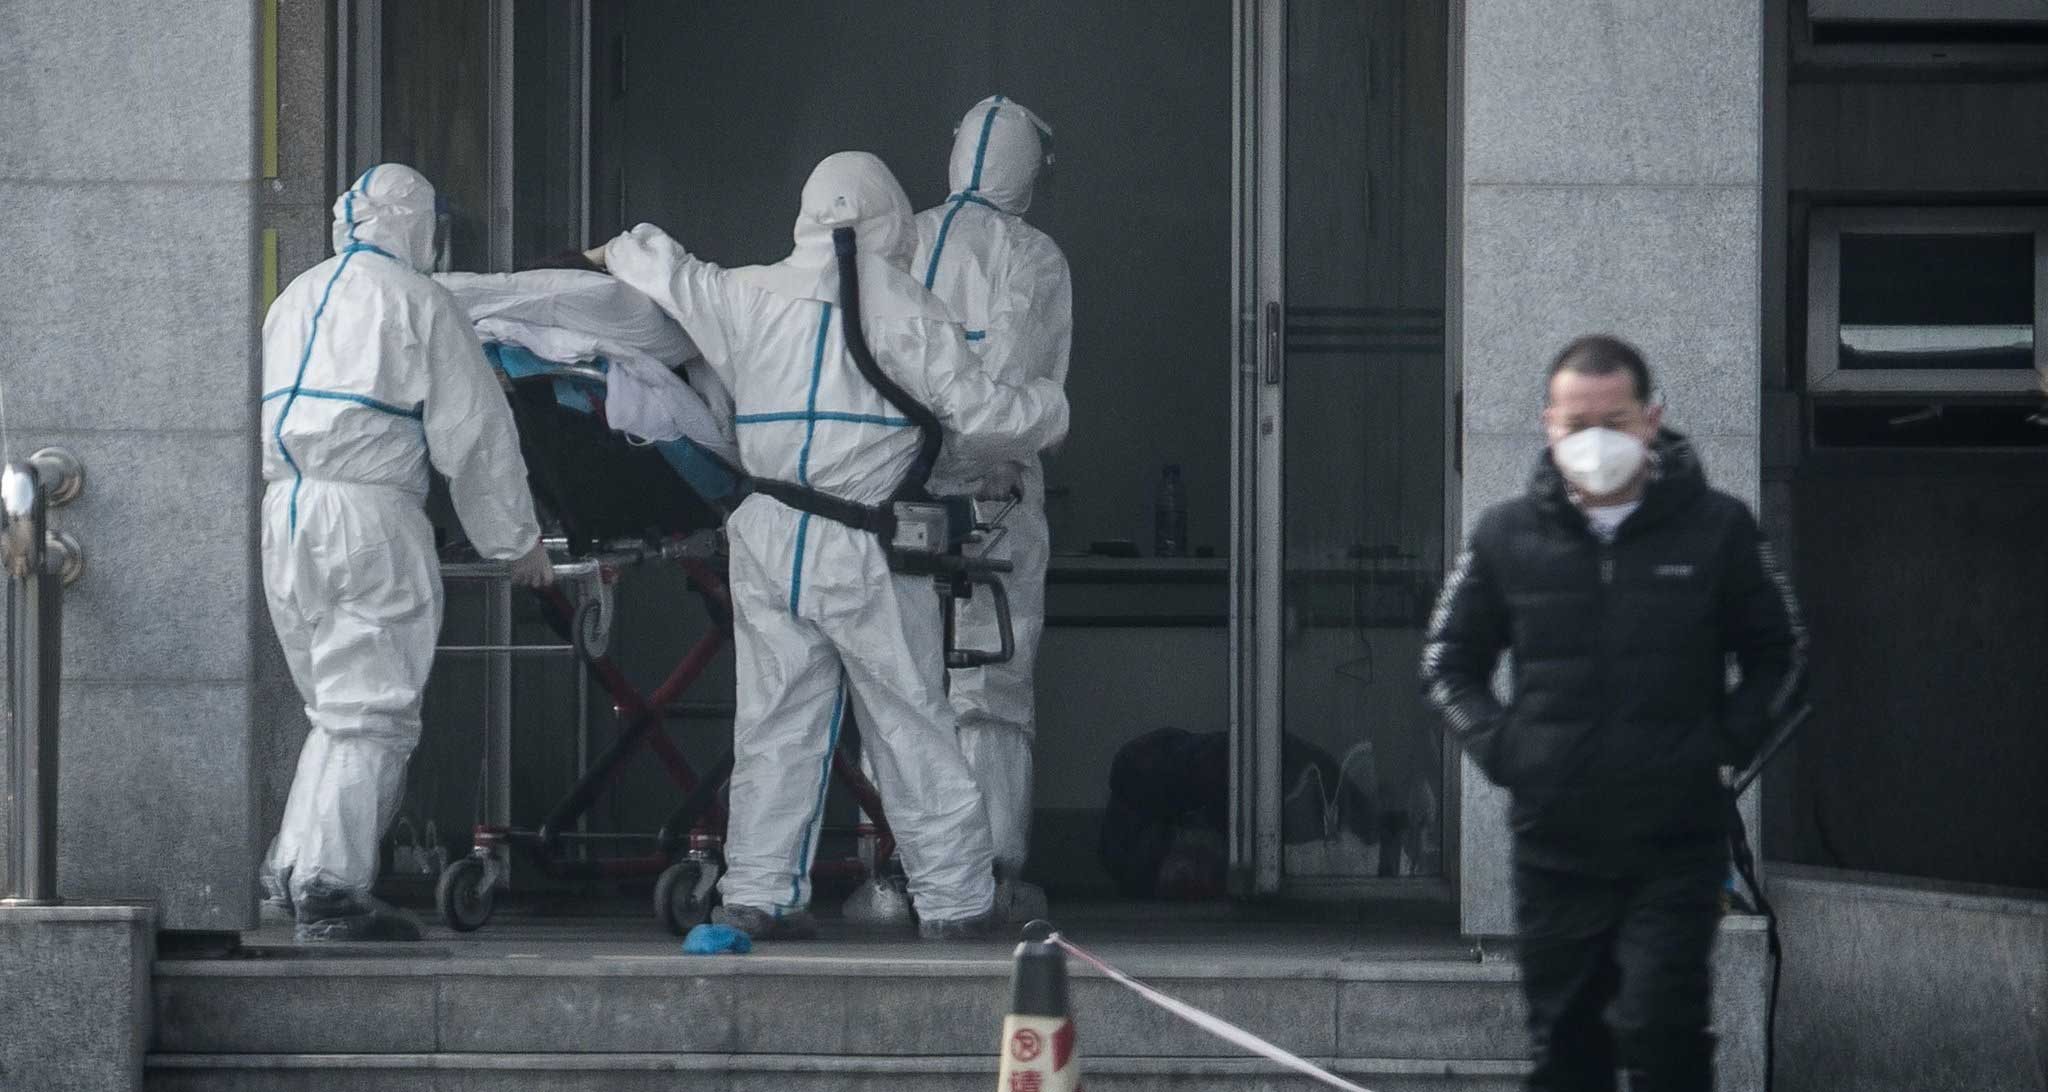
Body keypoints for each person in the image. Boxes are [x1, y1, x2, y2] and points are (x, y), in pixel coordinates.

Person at [587, 151, 1070, 941]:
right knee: (911, 722)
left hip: (771, 537)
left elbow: (669, 270)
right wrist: (1049, 409)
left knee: (775, 726)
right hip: (865, 543)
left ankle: (758, 894)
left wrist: (614, 251)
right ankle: (956, 903)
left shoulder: (746, 292)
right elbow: (984, 419)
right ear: (887, 219)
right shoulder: (911, 313)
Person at [1420, 335, 1808, 1092]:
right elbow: (1448, 662)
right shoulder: (1507, 536)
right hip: (1555, 843)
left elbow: (1782, 653)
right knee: (1566, 1047)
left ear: (1652, 418)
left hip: (1675, 840)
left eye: (1616, 419)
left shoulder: (1717, 529)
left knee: (1662, 1028)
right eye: (1576, 424)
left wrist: (1722, 742)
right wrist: (1505, 750)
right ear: (1548, 426)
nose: (1596, 441)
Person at [259, 164, 554, 942]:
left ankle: (290, 869)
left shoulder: (293, 299)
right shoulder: (420, 302)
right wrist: (518, 543)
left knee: (335, 704)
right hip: (368, 515)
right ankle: (329, 885)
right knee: (373, 706)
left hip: (286, 515)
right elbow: (476, 435)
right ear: (419, 225)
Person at [912, 94, 1073, 922]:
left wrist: (917, 469)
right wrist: (981, 467)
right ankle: (989, 873)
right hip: (995, 497)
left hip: (895, 496)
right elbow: (1008, 383)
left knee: (904, 680)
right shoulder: (1032, 257)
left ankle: (906, 870)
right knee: (990, 683)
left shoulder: (900, 239)